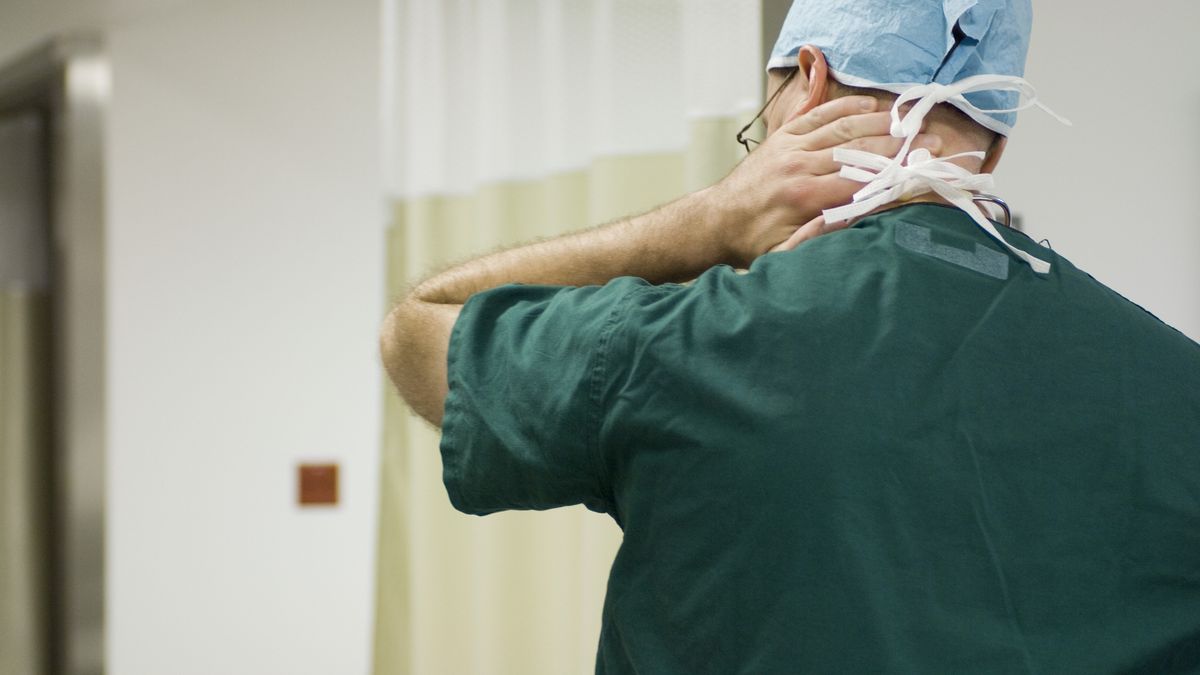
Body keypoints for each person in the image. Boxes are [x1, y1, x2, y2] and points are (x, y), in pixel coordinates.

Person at [380, 0, 1200, 671]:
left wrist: (708, 220)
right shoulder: (1177, 384)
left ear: (807, 82)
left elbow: (417, 331)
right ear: (994, 146)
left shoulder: (690, 341)